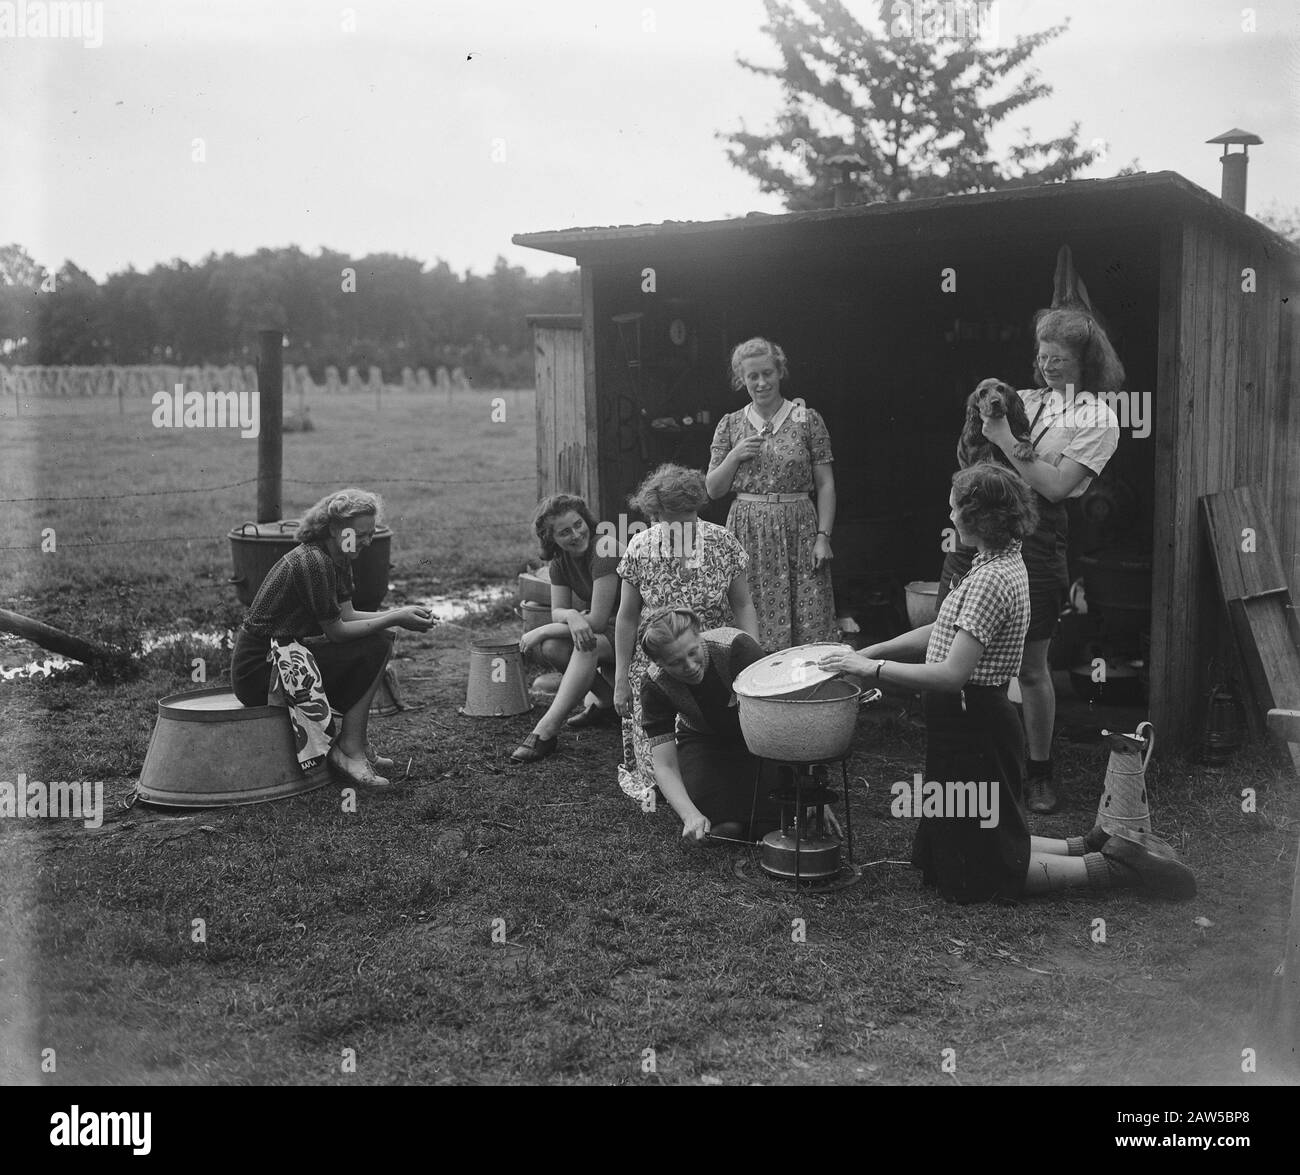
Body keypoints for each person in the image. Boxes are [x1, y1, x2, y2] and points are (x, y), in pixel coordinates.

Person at [820, 463, 1194, 903]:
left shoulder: (991, 580)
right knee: (972, 841)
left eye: (956, 509)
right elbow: (942, 627)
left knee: (988, 867)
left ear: (980, 519)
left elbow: (950, 674)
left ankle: (1115, 869)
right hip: (966, 724)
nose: (950, 516)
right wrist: (868, 652)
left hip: (973, 723)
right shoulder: (994, 562)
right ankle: (1092, 844)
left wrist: (871, 672)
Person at [937, 308, 1125, 813]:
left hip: (1039, 534)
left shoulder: (1097, 418)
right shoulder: (1023, 399)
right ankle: (977, 762)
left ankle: (1038, 772)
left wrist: (1001, 439)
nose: (1048, 367)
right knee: (957, 643)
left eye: (1059, 359)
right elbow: (971, 452)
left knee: (1032, 666)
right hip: (978, 528)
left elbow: (1057, 485)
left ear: (1085, 360)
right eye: (1043, 357)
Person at [231, 488, 435, 788]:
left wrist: (399, 613)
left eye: (370, 533)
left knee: (382, 637)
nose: (367, 541)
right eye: (361, 534)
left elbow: (348, 615)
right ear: (335, 528)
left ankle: (357, 743)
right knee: (377, 643)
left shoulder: (337, 555)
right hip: (260, 668)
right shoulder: (313, 561)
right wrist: (394, 617)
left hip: (288, 655)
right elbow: (338, 632)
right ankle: (349, 749)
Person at [612, 463, 759, 801]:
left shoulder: (723, 542)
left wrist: (751, 663)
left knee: (717, 757)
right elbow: (626, 617)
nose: (683, 526)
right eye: (673, 518)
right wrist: (621, 677)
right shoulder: (640, 548)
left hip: (710, 661)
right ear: (656, 514)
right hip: (659, 663)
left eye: (689, 517)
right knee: (660, 776)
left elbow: (743, 606)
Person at [706, 336, 837, 653]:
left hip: (799, 527)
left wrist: (823, 536)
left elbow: (826, 485)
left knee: (808, 611)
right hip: (748, 529)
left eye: (768, 373)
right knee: (750, 608)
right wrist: (735, 455)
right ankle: (754, 692)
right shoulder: (731, 424)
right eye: (753, 376)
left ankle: (804, 691)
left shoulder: (807, 419)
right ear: (742, 379)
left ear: (780, 372)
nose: (761, 382)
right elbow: (713, 489)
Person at [637, 607, 782, 843]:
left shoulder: (737, 648)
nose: (690, 666)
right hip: (702, 741)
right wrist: (690, 815)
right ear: (659, 663)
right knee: (724, 829)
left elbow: (780, 721)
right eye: (676, 663)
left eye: (693, 652)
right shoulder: (655, 684)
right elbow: (665, 765)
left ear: (700, 634)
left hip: (759, 739)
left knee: (771, 827)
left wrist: (802, 790)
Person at [510, 493, 620, 764]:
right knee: (553, 647)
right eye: (564, 532)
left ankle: (545, 732)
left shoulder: (605, 548)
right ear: (551, 539)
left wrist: (543, 629)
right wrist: (571, 615)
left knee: (583, 643)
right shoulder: (560, 562)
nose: (576, 535)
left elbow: (596, 621)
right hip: (604, 629)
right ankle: (605, 703)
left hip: (632, 627)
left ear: (587, 521)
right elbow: (557, 611)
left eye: (579, 524)